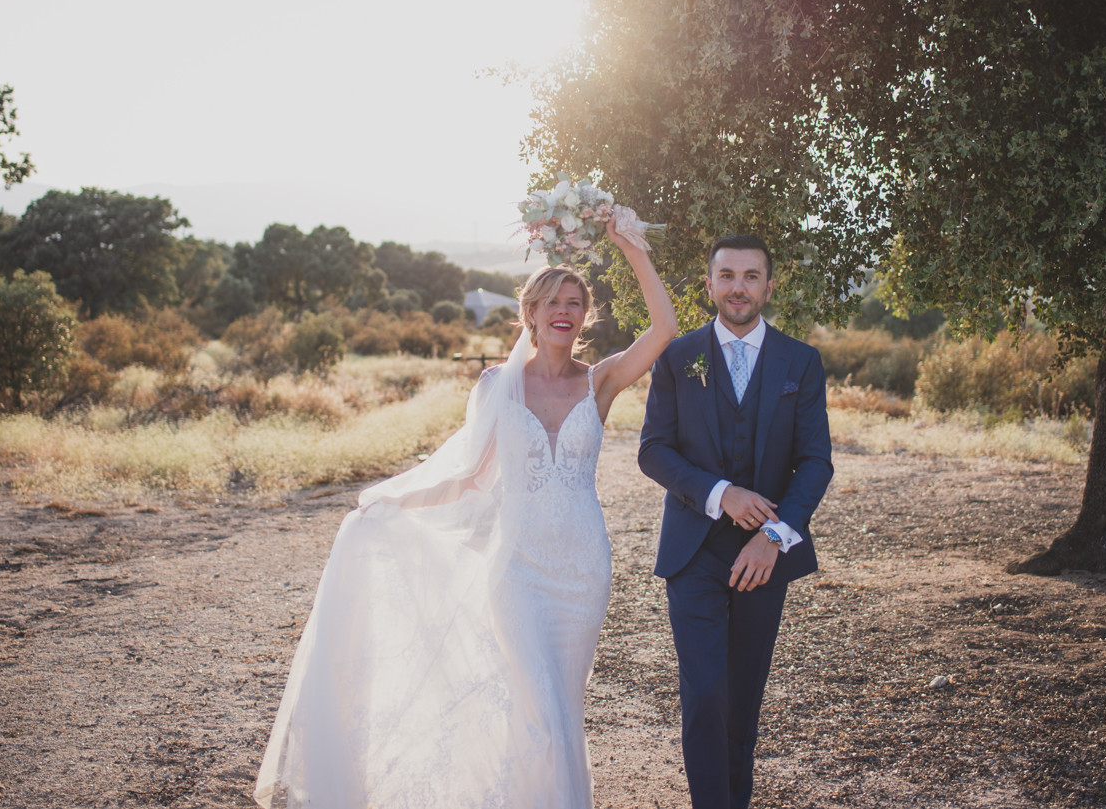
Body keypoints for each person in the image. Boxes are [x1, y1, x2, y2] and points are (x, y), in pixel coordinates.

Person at [255, 216, 675, 809]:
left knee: (562, 707)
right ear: (529, 312)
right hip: (519, 572)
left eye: (575, 303)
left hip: (583, 571)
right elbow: (468, 477)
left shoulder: (599, 383)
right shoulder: (497, 385)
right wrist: (391, 502)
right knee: (542, 707)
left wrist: (633, 251)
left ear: (585, 316)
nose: (564, 311)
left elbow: (665, 328)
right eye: (552, 301)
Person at [638, 233, 833, 809]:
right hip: (693, 551)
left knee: (743, 696)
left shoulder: (801, 361)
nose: (739, 287)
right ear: (709, 285)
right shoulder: (678, 357)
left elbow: (816, 461)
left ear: (769, 286)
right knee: (704, 695)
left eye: (751, 276)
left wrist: (774, 536)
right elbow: (654, 450)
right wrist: (720, 493)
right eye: (727, 275)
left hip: (763, 558)